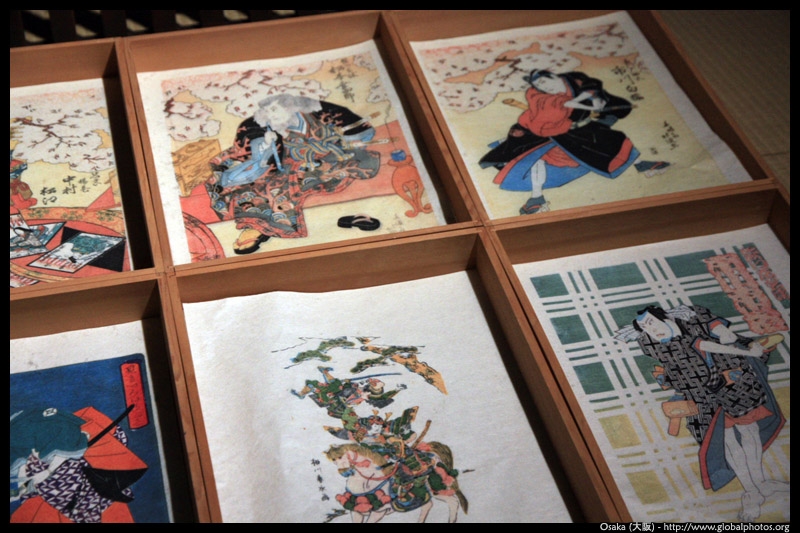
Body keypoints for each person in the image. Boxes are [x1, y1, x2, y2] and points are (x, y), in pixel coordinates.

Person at [621, 304, 788, 522]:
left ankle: (761, 483)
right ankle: (751, 491)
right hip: (703, 395)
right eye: (645, 328)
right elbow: (700, 349)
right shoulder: (659, 346)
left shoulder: (693, 319)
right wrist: (744, 351)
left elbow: (721, 336)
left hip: (735, 387)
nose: (652, 330)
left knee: (750, 432)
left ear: (663, 317)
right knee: (727, 442)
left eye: (651, 323)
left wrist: (742, 344)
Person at [206, 95, 381, 254]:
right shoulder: (268, 126)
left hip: (325, 160)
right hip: (284, 163)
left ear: (290, 107)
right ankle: (255, 226)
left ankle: (262, 226)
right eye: (267, 111)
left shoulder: (320, 114)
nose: (270, 114)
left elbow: (357, 132)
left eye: (274, 109)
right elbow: (255, 151)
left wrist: (340, 146)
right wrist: (265, 144)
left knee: (283, 186)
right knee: (254, 185)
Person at [479, 69, 640, 215]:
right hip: (555, 131)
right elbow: (538, 118)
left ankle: (641, 164)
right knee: (534, 155)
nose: (544, 87)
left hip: (585, 128)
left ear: (554, 76)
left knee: (611, 142)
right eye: (539, 86)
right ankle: (537, 197)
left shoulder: (575, 80)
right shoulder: (541, 97)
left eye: (544, 82)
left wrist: (592, 101)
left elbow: (593, 89)